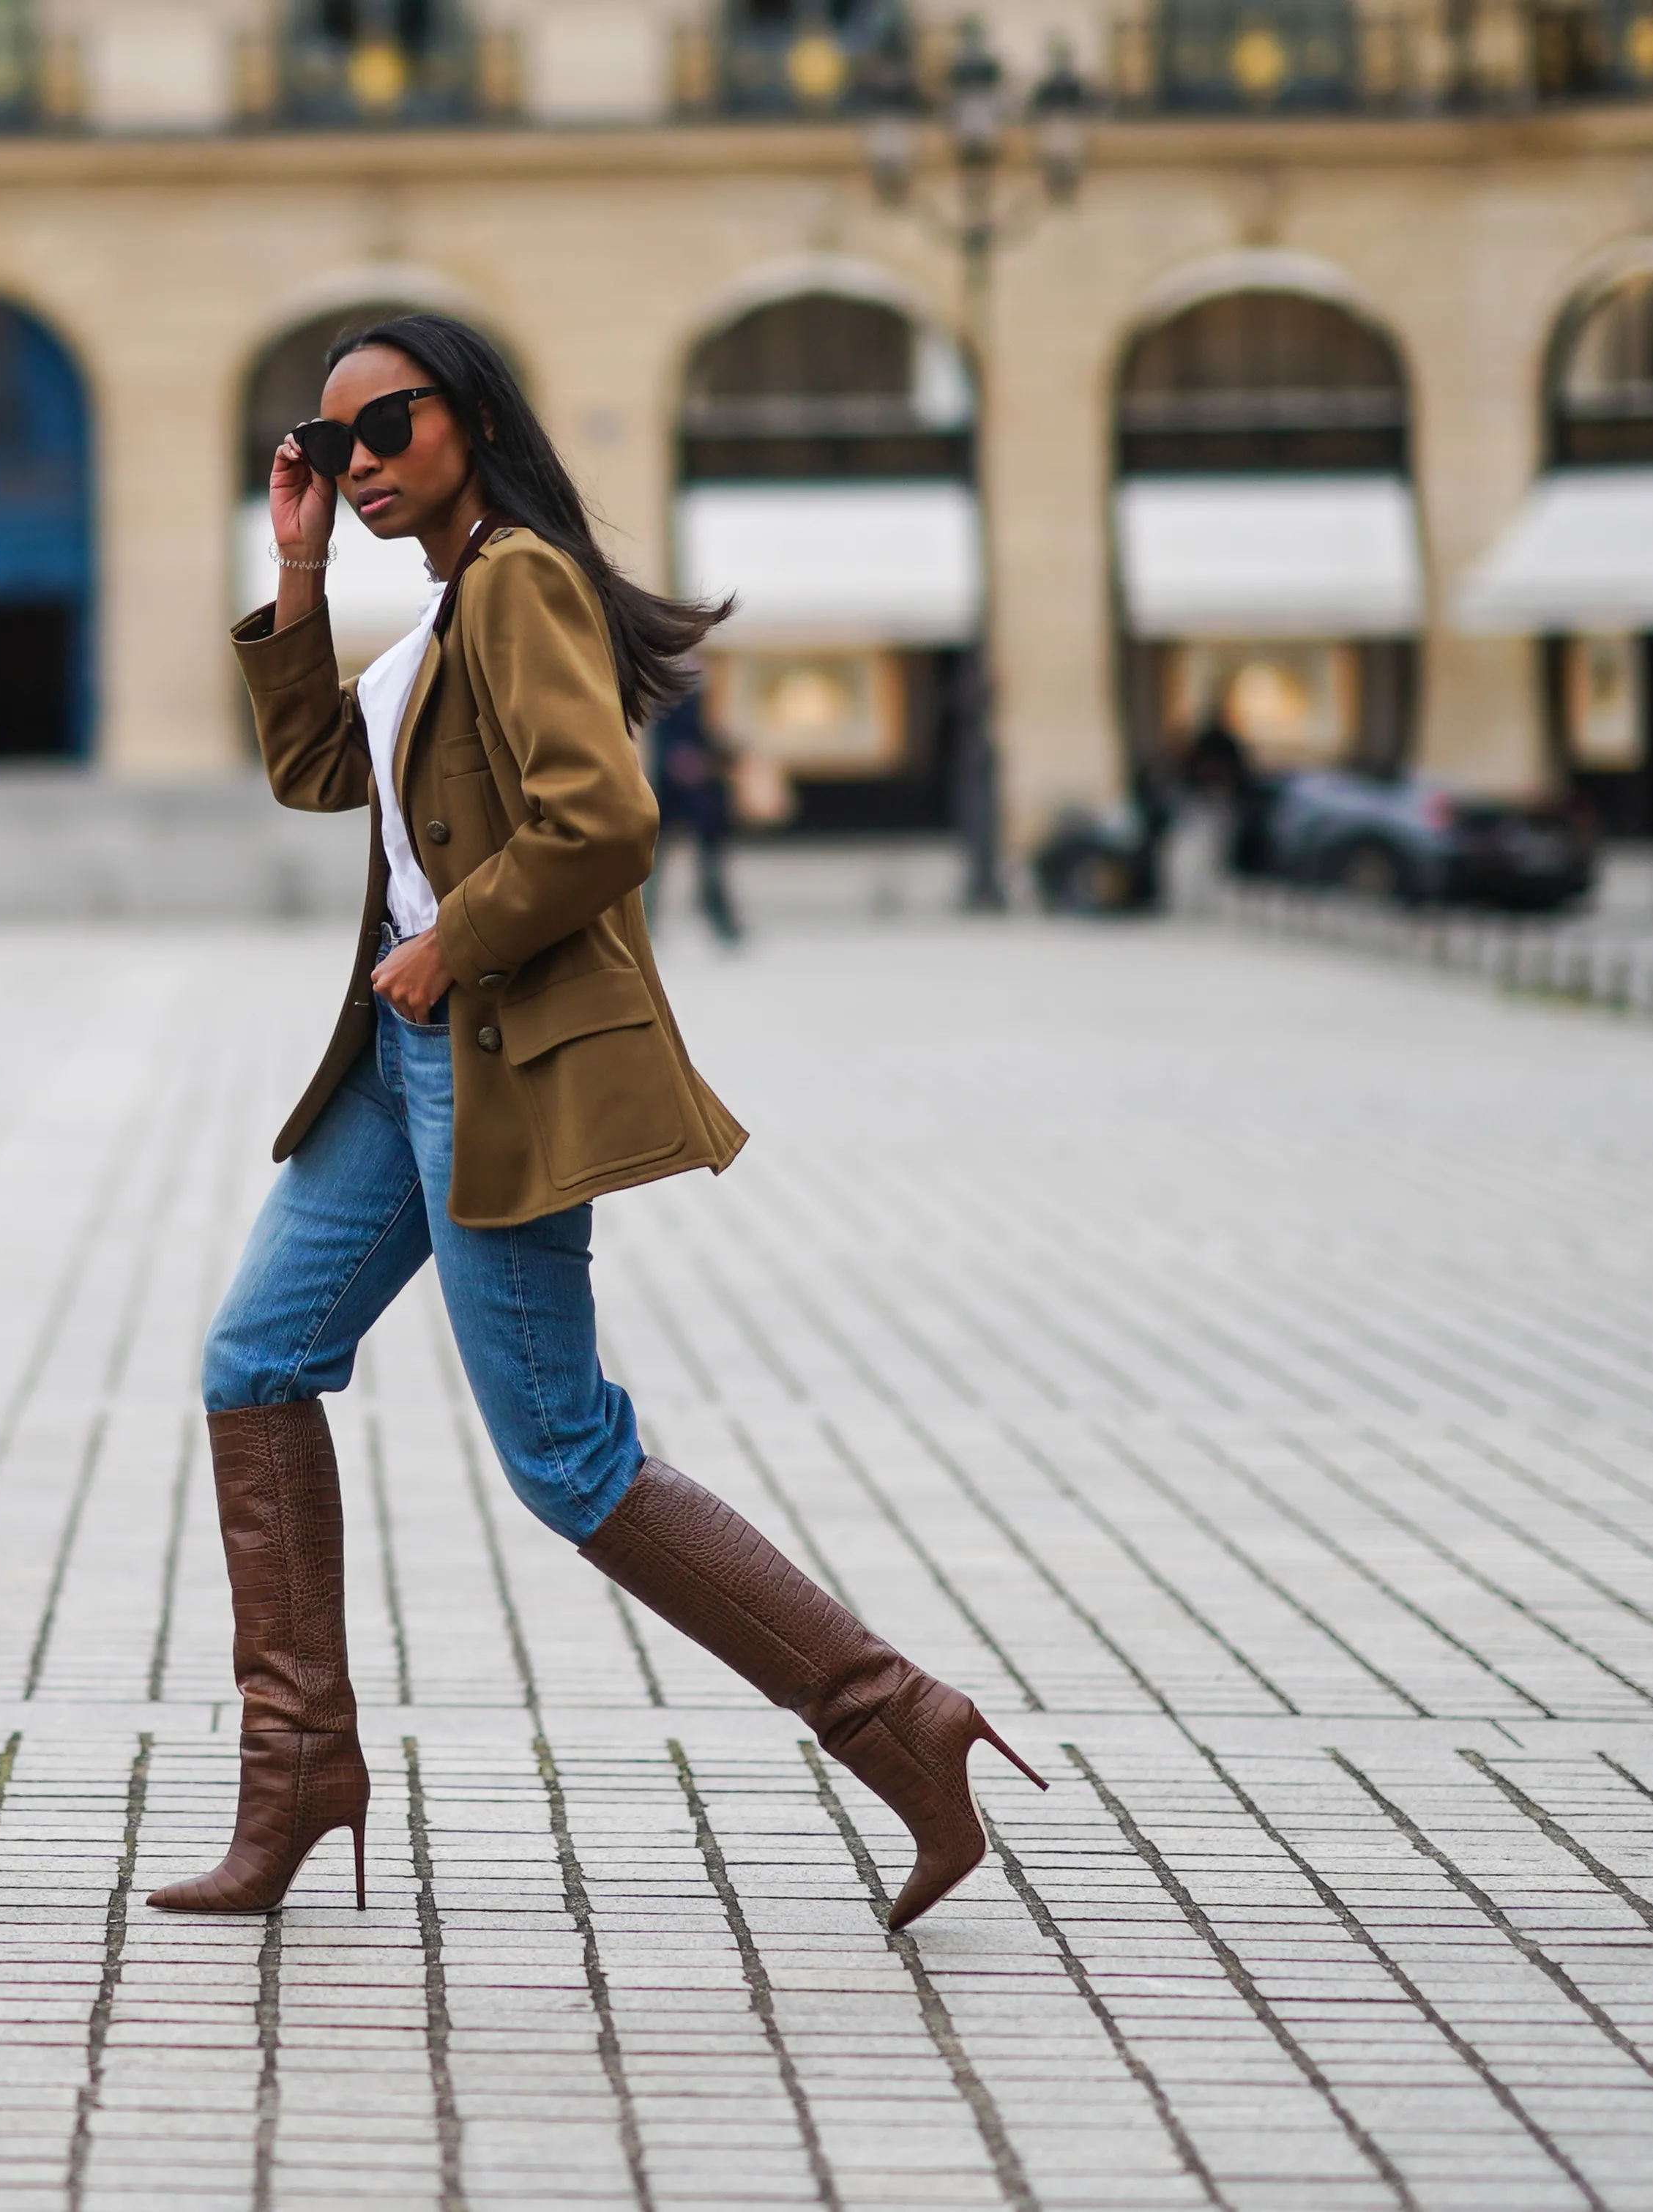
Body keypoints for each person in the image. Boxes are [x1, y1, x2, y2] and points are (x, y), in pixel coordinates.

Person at [159, 311, 1042, 1929]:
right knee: (253, 1361)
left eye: (387, 427)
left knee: (567, 1457)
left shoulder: (517, 584)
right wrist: (296, 568)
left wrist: (449, 942)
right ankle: (297, 1774)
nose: (357, 464)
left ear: (475, 422)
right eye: (333, 444)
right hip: (400, 1063)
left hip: (487, 1056)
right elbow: (313, 771)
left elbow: (604, 819)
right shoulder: (445, 605)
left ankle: (894, 1718)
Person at [645, 685, 743, 944]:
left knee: (709, 860)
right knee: (657, 861)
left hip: (701, 790)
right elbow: (669, 745)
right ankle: (644, 923)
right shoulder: (670, 693)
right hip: (675, 788)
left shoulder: (701, 692)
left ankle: (720, 920)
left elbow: (707, 737)